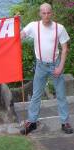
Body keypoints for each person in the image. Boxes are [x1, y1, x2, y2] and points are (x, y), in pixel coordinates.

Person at [20, 3, 73, 135]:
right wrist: (17, 21)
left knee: (61, 95)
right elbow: (21, 35)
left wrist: (61, 66)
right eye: (43, 13)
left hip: (55, 65)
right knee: (36, 95)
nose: (46, 15)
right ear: (40, 14)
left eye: (48, 13)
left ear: (52, 13)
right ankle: (32, 122)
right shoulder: (33, 26)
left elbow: (65, 48)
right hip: (40, 66)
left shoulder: (59, 28)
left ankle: (65, 122)